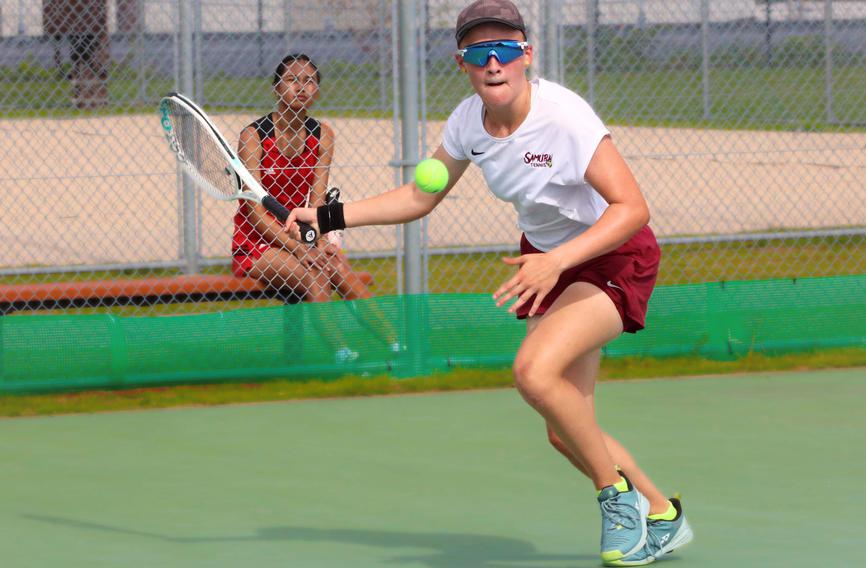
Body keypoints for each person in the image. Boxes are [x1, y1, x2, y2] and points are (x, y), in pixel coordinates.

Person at [285, 1, 693, 564]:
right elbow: (419, 196)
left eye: (505, 50)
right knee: (563, 427)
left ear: (527, 55)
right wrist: (330, 217)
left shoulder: (565, 117)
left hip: (612, 255)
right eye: (479, 53)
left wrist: (556, 261)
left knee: (532, 371)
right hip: (550, 260)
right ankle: (662, 515)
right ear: (463, 63)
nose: (493, 62)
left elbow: (632, 209)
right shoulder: (467, 123)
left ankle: (615, 499)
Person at [231, 53, 382, 363]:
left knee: (337, 266)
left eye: (310, 80)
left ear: (318, 90)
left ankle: (398, 346)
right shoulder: (253, 136)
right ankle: (344, 356)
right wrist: (297, 247)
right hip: (257, 244)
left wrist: (316, 240)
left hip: (303, 236)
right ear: (276, 88)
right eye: (292, 79)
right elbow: (254, 213)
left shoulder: (322, 135)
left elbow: (316, 204)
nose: (301, 87)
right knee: (315, 274)